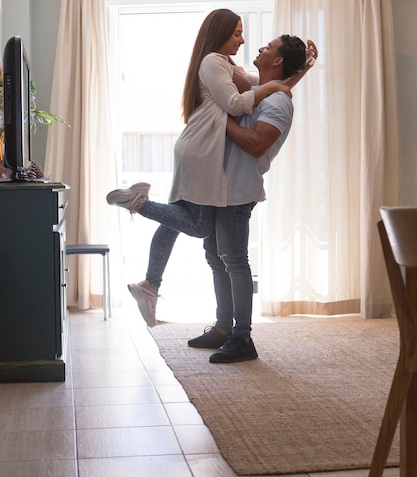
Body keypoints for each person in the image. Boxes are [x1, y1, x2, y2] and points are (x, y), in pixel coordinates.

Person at [109, 32, 317, 364]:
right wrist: (302, 68)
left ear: (277, 60)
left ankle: (242, 337)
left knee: (235, 262)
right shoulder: (256, 90)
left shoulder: (278, 102)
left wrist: (222, 119)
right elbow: (239, 87)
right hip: (219, 189)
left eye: (269, 47)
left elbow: (256, 144)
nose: (258, 47)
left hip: (239, 192)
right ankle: (222, 329)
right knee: (216, 259)